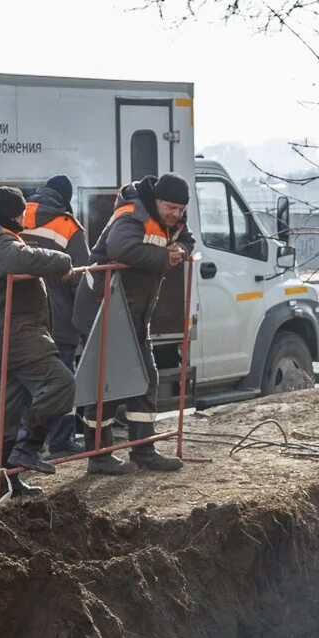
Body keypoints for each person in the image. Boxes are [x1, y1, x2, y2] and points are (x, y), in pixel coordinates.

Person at [0, 185, 78, 496]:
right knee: (62, 383)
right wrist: (63, 261)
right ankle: (28, 447)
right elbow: (20, 260)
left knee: (5, 408)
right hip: (17, 332)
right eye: (22, 213)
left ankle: (4, 483)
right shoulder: (0, 239)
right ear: (15, 213)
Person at [74, 171, 194, 473]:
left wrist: (181, 250)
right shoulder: (131, 214)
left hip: (131, 312)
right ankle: (99, 456)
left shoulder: (172, 220)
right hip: (103, 307)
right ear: (157, 200)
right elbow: (121, 249)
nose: (176, 215)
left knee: (146, 378)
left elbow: (187, 239)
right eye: (171, 208)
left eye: (180, 210)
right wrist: (164, 258)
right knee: (106, 383)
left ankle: (142, 451)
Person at [20, 174, 98, 462]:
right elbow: (81, 277)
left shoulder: (19, 216)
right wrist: (87, 321)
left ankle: (26, 446)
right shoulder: (67, 226)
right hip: (59, 318)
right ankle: (62, 441)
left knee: (29, 385)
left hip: (26, 318)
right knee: (64, 381)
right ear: (66, 198)